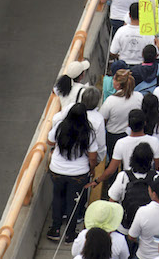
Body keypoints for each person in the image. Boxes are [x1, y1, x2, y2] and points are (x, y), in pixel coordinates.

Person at [47, 103, 98, 243]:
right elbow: (93, 156)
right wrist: (92, 169)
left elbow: (49, 141)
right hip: (79, 174)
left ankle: (55, 229)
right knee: (73, 203)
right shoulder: (89, 132)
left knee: (57, 197)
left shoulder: (60, 126)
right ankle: (70, 234)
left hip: (57, 170)